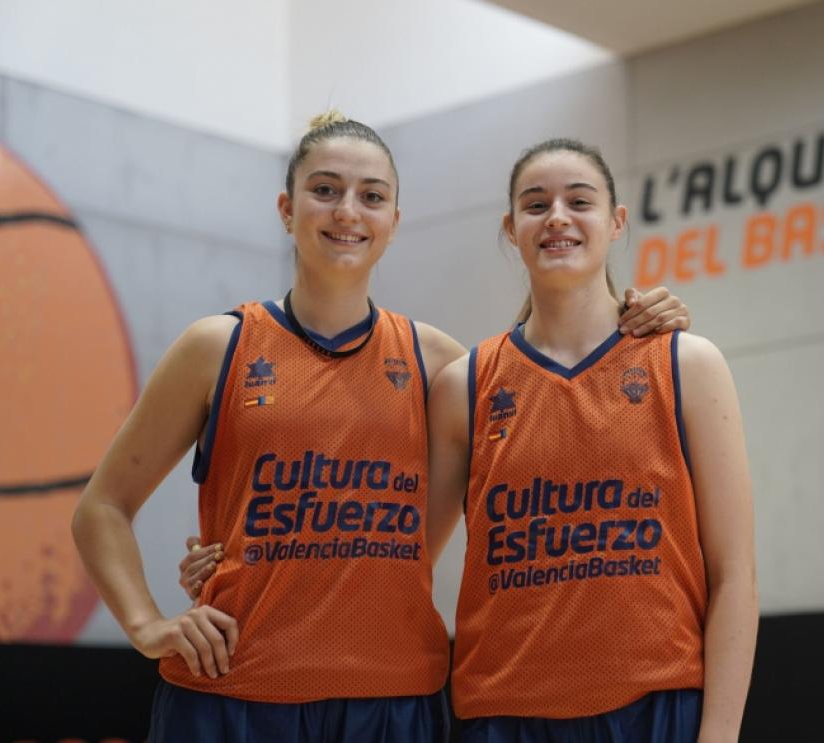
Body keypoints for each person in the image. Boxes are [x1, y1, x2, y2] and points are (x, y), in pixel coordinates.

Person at [72, 113, 690, 743]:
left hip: (393, 700)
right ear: (286, 209)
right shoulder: (218, 346)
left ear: (394, 221)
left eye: (371, 196)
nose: (347, 211)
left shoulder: (441, 365)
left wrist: (639, 316)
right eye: (325, 190)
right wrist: (148, 625)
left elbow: (559, 386)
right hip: (234, 689)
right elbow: (102, 507)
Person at [425, 139, 758, 741]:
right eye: (536, 205)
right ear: (511, 228)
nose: (557, 217)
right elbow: (401, 565)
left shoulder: (688, 364)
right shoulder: (463, 386)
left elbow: (734, 573)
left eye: (579, 202)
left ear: (616, 221)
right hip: (503, 714)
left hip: (654, 709)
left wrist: (719, 735)